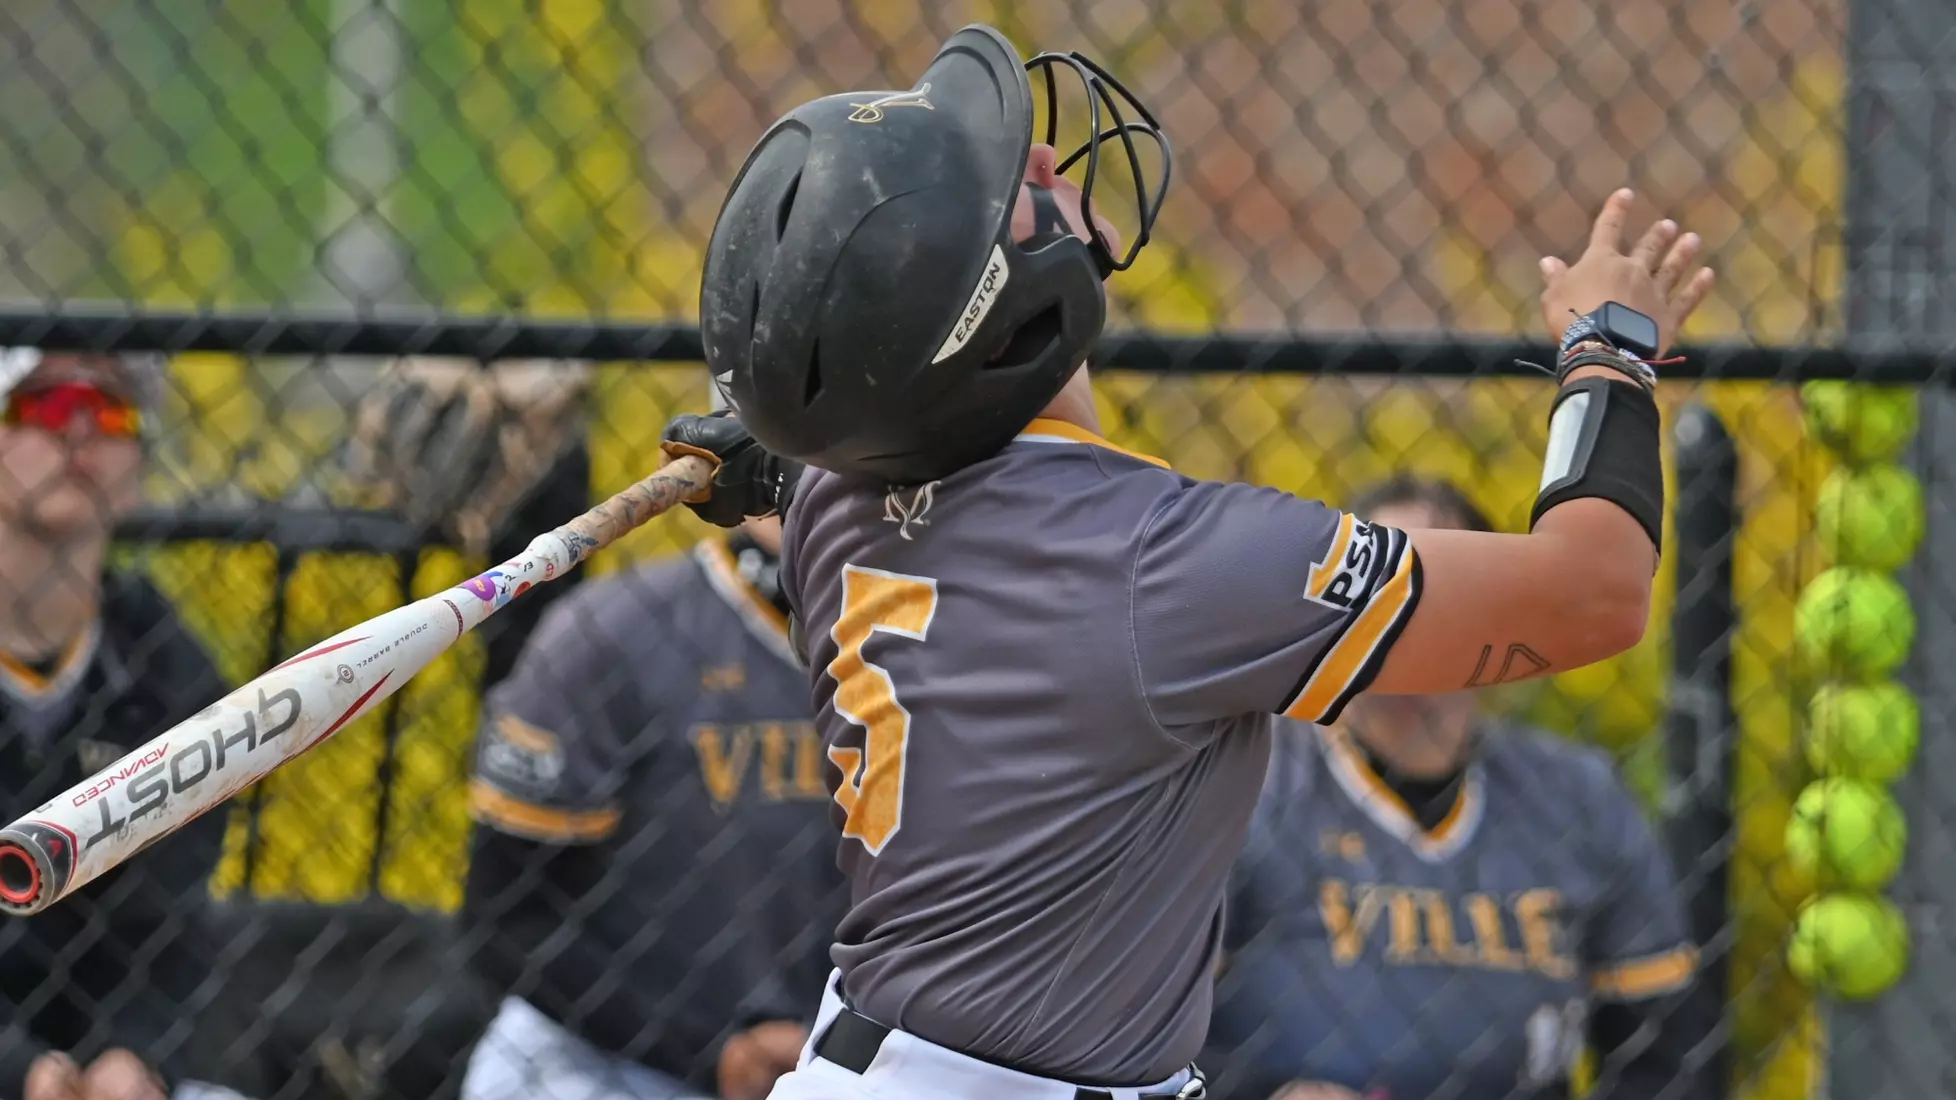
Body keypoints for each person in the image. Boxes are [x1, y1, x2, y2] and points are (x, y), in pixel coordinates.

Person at [657, 22, 1716, 1100]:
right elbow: (1593, 589)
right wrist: (1608, 347)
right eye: (1007, 193)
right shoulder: (1163, 561)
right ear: (1006, 318)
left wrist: (786, 454)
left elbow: (866, 436)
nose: (1039, 162)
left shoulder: (838, 498)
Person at [1201, 476, 1709, 1100]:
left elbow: (1664, 1057)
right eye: (1386, 590)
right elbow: (1135, 1038)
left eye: (1443, 587)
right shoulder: (1247, 779)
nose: (1413, 615)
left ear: (1501, 617)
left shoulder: (1578, 796)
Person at [458, 505, 850, 1100]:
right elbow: (507, 918)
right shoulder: (614, 630)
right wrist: (714, 1050)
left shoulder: (949, 645)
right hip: (606, 1063)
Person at [0, 350, 239, 1100]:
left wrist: (134, 1058)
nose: (80, 430)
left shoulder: (171, 671)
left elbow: (166, 928)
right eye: (45, 404)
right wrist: (23, 1074)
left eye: (112, 413)